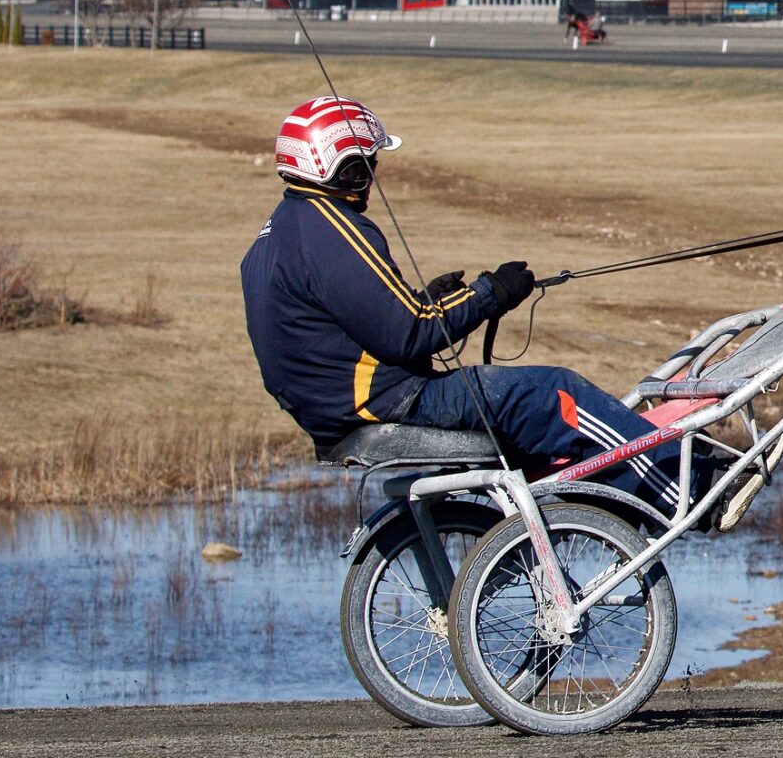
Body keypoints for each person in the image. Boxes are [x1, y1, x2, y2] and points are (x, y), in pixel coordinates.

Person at [240, 95, 690, 512]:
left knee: (543, 409)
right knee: (557, 395)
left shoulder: (278, 235)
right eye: (368, 164)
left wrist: (435, 300)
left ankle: (621, 497)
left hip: (338, 410)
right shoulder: (332, 230)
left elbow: (361, 325)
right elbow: (410, 333)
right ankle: (685, 485)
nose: (373, 176)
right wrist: (491, 292)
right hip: (390, 402)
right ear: (345, 169)